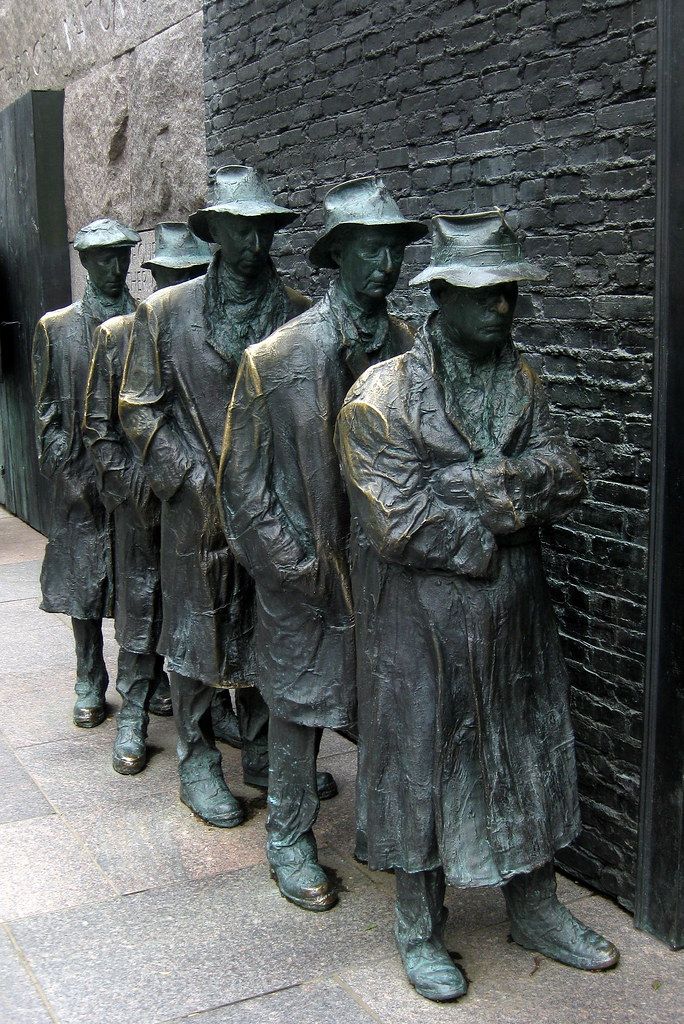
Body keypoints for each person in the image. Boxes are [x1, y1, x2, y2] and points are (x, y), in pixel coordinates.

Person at [335, 210, 619, 1002]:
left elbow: (568, 472)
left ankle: (535, 907)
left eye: (510, 294)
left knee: (527, 753)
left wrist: (478, 487)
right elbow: (400, 523)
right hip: (421, 620)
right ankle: (418, 927)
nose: (503, 308)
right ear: (442, 300)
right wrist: (504, 515)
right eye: (485, 294)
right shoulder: (379, 399)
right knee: (423, 765)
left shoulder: (524, 379)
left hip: (516, 614)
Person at [218, 177, 426, 909]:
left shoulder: (413, 350)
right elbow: (241, 487)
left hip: (387, 574)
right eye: (371, 249)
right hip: (305, 572)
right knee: (299, 708)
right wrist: (295, 567)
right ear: (338, 256)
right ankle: (289, 837)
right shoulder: (275, 358)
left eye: (394, 251)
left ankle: (394, 837)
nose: (385, 266)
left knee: (387, 708)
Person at [118, 167, 313, 827]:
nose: (253, 244)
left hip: (273, 504)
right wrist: (189, 478)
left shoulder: (296, 312)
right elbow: (139, 408)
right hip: (194, 509)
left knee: (270, 626)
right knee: (195, 634)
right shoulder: (165, 312)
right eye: (239, 230)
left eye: (262, 230)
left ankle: (261, 750)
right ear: (216, 234)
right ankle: (197, 761)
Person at [83, 222, 212, 773]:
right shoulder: (117, 336)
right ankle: (134, 711)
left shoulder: (205, 336)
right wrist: (137, 485)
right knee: (140, 609)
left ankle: (213, 712)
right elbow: (98, 431)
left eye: (191, 275)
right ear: (154, 276)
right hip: (140, 506)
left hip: (195, 506)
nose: (179, 285)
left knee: (202, 611)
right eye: (170, 276)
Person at [32, 218, 139, 728]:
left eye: (121, 256)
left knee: (139, 579)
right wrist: (65, 467)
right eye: (103, 258)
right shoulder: (56, 328)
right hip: (80, 480)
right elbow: (47, 409)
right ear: (85, 262)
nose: (114, 267)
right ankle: (88, 675)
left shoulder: (146, 320)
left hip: (134, 478)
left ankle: (143, 678)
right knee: (84, 581)